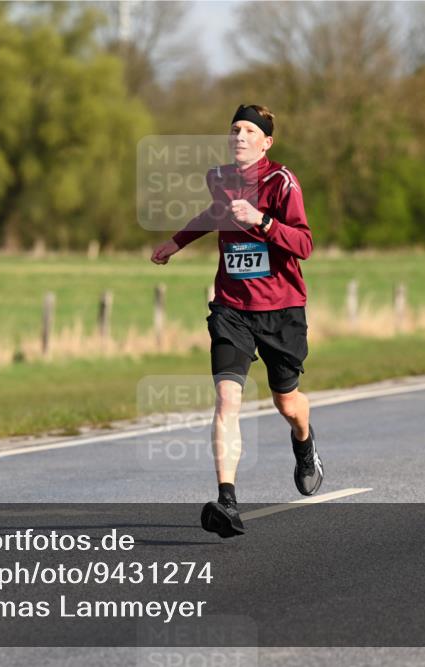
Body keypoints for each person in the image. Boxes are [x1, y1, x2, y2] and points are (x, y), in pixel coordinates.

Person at [150, 104, 322, 538]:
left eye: (249, 131)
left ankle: (304, 443)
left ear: (266, 142)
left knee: (288, 403)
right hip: (232, 308)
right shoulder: (220, 179)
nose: (239, 136)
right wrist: (177, 241)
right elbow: (215, 215)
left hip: (281, 309)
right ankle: (227, 500)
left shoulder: (282, 182)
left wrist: (263, 222)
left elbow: (304, 244)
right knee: (228, 400)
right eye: (234, 129)